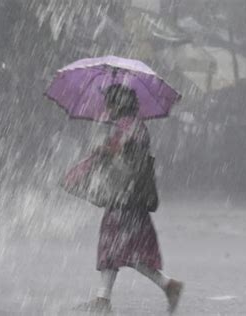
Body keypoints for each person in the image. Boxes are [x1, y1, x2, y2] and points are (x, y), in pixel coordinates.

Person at [74, 84, 184, 314]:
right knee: (122, 248)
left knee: (119, 246)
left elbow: (120, 152)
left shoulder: (127, 126)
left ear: (120, 104)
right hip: (129, 196)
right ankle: (108, 298)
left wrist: (104, 149)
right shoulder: (134, 125)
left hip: (125, 196)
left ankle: (107, 299)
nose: (108, 108)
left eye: (111, 103)